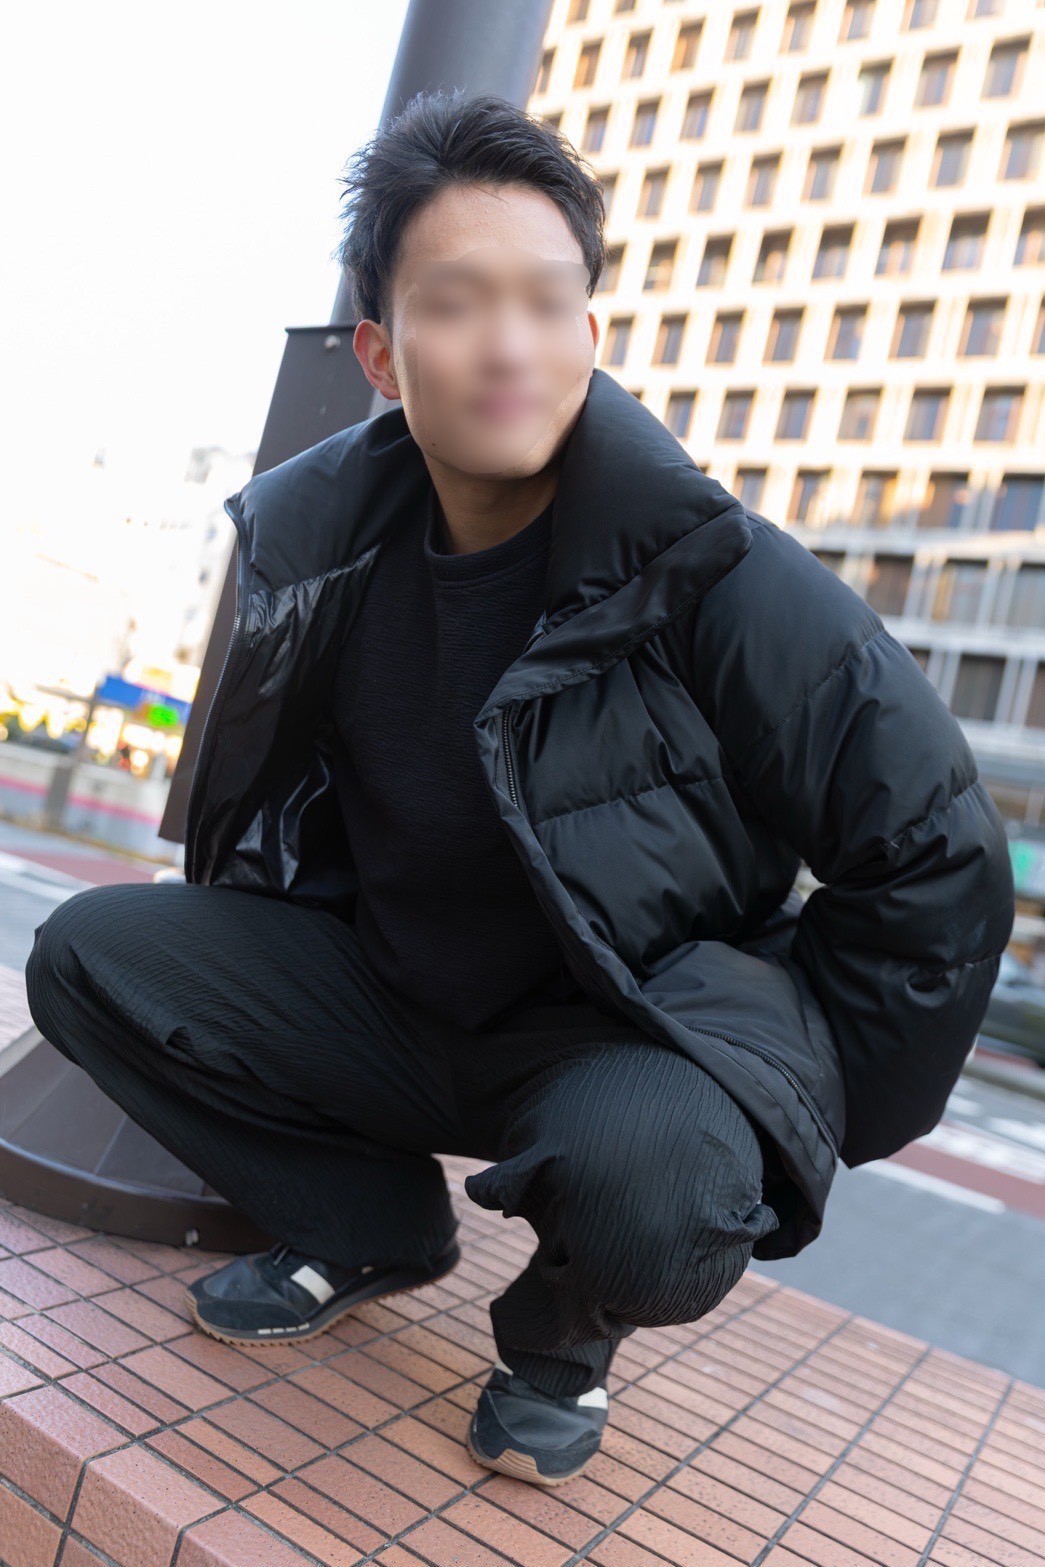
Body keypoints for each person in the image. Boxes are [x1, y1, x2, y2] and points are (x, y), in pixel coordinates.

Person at [25, 89, 1015, 1487]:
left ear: (588, 333)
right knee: (87, 959)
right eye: (455, 303)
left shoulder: (716, 572)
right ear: (381, 354)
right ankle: (367, 1224)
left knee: (663, 1191)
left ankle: (562, 1336)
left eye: (546, 303)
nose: (508, 346)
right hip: (386, 998)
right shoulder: (326, 543)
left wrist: (790, 1086)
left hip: (616, 1040)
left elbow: (933, 857)